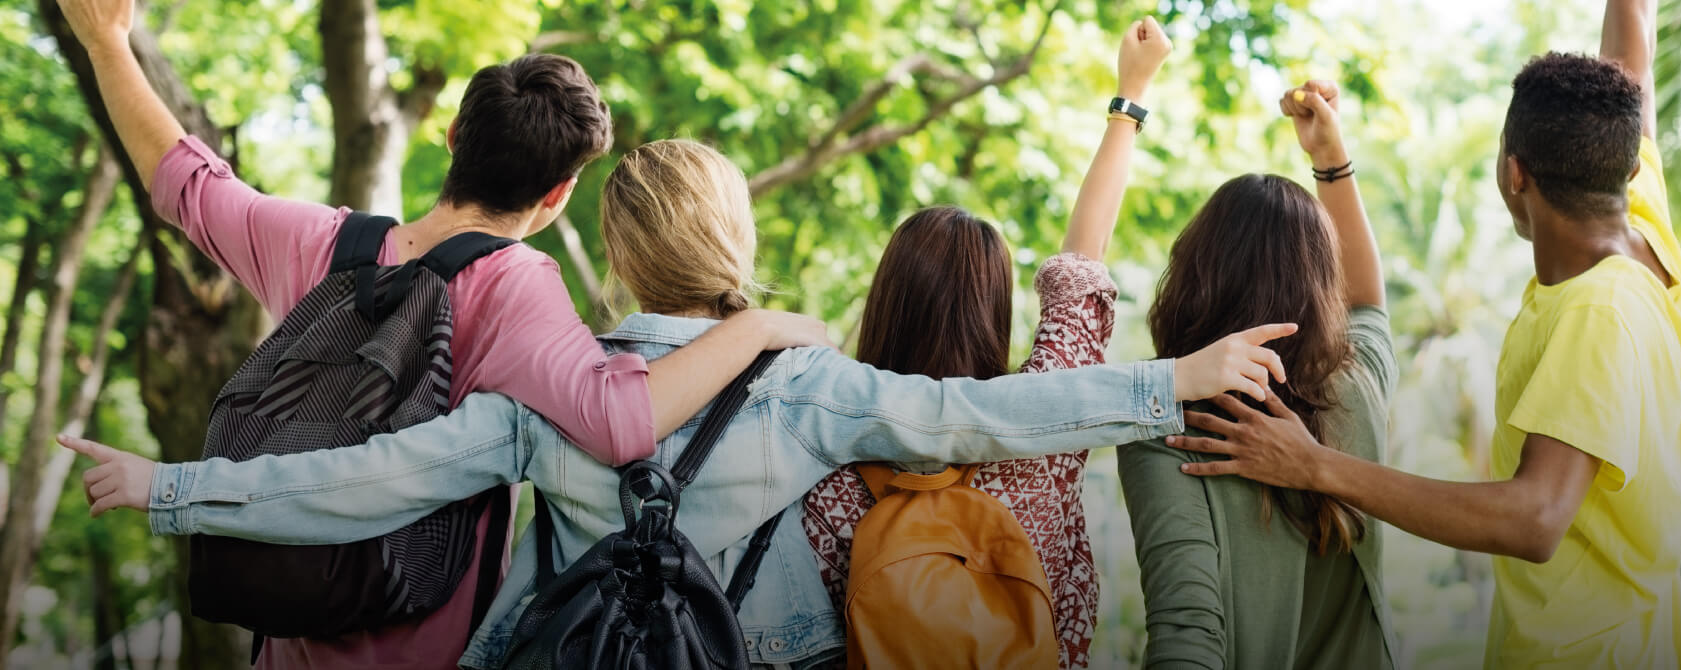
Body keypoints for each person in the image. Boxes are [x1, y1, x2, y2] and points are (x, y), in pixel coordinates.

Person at [65, 138, 1301, 670]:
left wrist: (171, 485)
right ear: (737, 235)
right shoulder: (806, 381)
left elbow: (364, 482)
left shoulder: (542, 388)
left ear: (615, 248)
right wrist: (1171, 383)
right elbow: (986, 418)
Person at [52, 1, 827, 667]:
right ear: (558, 196)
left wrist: (108, 44)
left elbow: (186, 183)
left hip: (285, 634)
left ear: (452, 136)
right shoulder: (518, 286)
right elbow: (622, 421)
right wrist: (756, 324)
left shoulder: (318, 244)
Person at [1164, 0, 1681, 667]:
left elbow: (1534, 518)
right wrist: (1331, 160)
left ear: (1514, 173)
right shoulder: (1642, 235)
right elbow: (1630, 65)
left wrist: (1315, 465)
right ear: (1623, 160)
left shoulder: (1598, 314)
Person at [798, 17, 1172, 668]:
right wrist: (1129, 96)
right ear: (993, 311)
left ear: (887, 302)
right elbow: (1083, 262)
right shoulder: (1044, 432)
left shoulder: (825, 461)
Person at [1116, 78, 1399, 669]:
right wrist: (1330, 156)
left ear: (1193, 277)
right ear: (1324, 289)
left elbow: (1187, 627)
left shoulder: (1169, 425)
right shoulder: (1357, 386)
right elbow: (1369, 302)